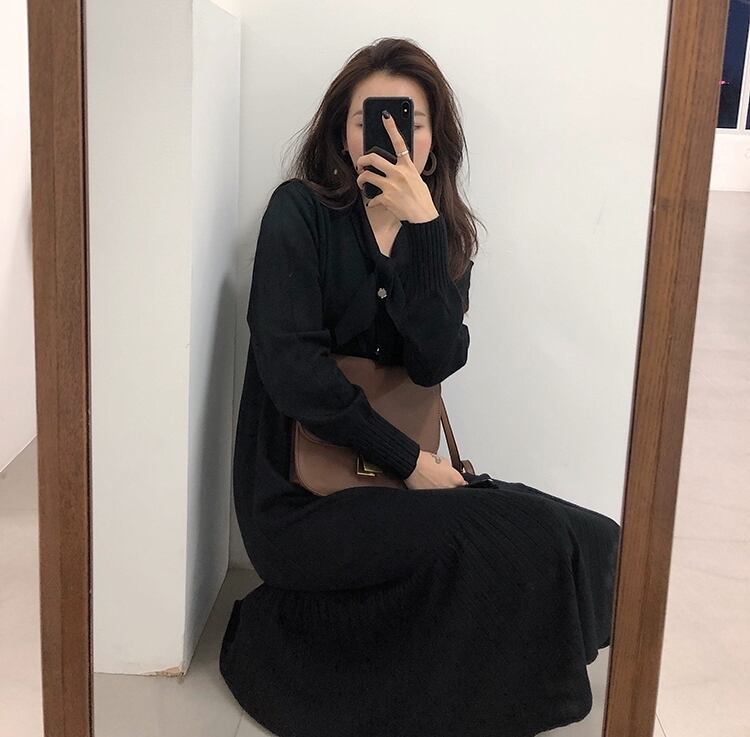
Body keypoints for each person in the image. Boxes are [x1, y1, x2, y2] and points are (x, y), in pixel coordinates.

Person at [219, 38, 621, 737]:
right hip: (298, 502)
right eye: (367, 118)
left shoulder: (444, 236)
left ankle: (474, 684)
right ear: (342, 132)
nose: (390, 134)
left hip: (390, 483)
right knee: (523, 537)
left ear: (436, 139)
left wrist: (426, 230)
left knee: (593, 537)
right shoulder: (299, 212)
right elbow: (293, 372)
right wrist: (409, 463)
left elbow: (435, 360)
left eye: (411, 119)